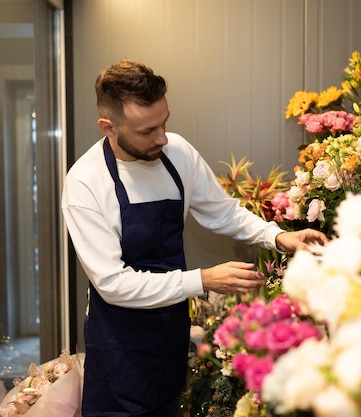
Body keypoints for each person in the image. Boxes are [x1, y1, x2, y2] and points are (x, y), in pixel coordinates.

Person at [61, 59, 328, 417]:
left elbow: (222, 211)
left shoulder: (177, 153)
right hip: (118, 346)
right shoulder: (85, 182)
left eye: (164, 121)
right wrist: (203, 279)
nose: (162, 137)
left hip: (170, 332)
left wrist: (278, 237)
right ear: (108, 127)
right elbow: (113, 283)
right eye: (147, 130)